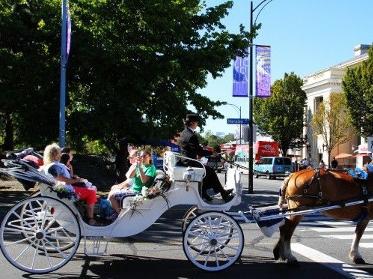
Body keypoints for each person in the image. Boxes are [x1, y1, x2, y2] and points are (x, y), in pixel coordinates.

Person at [177, 114, 234, 202]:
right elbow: (199, 151)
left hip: (185, 160)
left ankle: (205, 192)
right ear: (192, 123)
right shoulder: (191, 135)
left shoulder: (184, 133)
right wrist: (212, 153)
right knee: (210, 171)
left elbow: (196, 149)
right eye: (196, 122)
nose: (197, 124)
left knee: (207, 173)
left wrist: (209, 152)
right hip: (189, 162)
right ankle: (223, 194)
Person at [43, 143, 98, 225]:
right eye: (59, 152)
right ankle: (91, 218)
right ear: (56, 154)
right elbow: (64, 180)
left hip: (56, 189)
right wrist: (78, 180)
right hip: (66, 190)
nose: (61, 154)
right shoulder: (55, 166)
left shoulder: (47, 166)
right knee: (92, 192)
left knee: (89, 189)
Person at [108, 149, 156, 219]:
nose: (142, 158)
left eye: (144, 156)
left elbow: (144, 181)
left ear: (150, 157)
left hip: (138, 192)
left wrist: (139, 168)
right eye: (141, 156)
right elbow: (130, 176)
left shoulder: (151, 168)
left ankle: (120, 216)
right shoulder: (141, 166)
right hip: (132, 189)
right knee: (112, 194)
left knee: (112, 196)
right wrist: (137, 165)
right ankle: (118, 214)